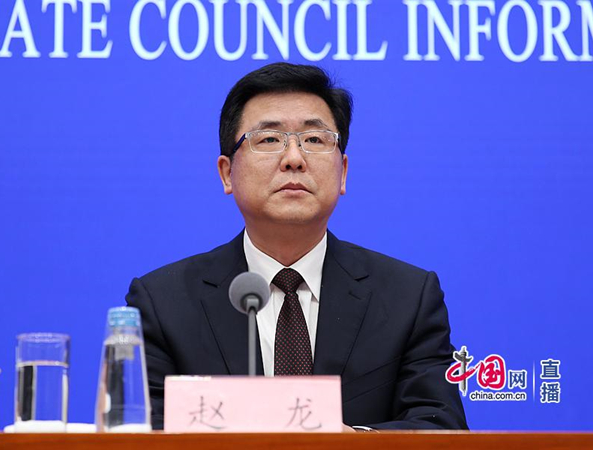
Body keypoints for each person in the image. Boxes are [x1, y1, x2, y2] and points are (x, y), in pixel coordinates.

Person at [126, 62, 468, 431]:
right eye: (269, 139)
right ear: (227, 173)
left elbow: (441, 429)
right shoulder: (163, 303)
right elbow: (140, 434)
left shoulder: (408, 298)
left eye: (315, 139)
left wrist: (349, 442)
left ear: (343, 172)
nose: (294, 159)